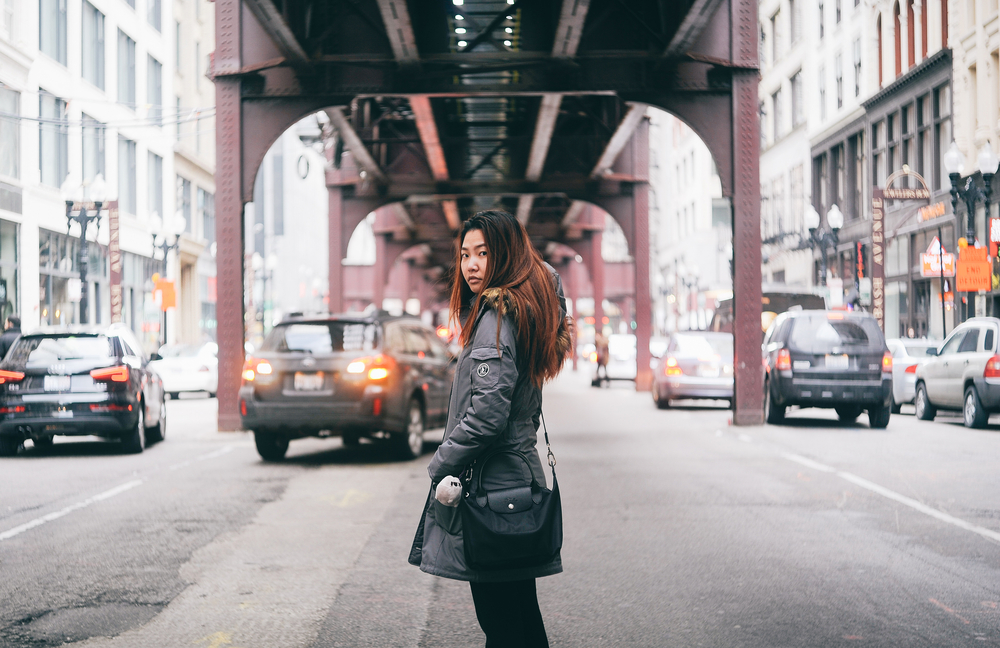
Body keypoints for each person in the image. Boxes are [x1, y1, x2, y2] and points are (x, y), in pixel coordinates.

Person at [409, 210, 572, 648]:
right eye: (465, 254)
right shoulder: (519, 313)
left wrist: (440, 461)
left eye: (483, 253)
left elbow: (486, 416)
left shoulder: (496, 319)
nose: (471, 265)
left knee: (501, 620)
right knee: (518, 614)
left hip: (493, 487)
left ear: (505, 257)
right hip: (514, 478)